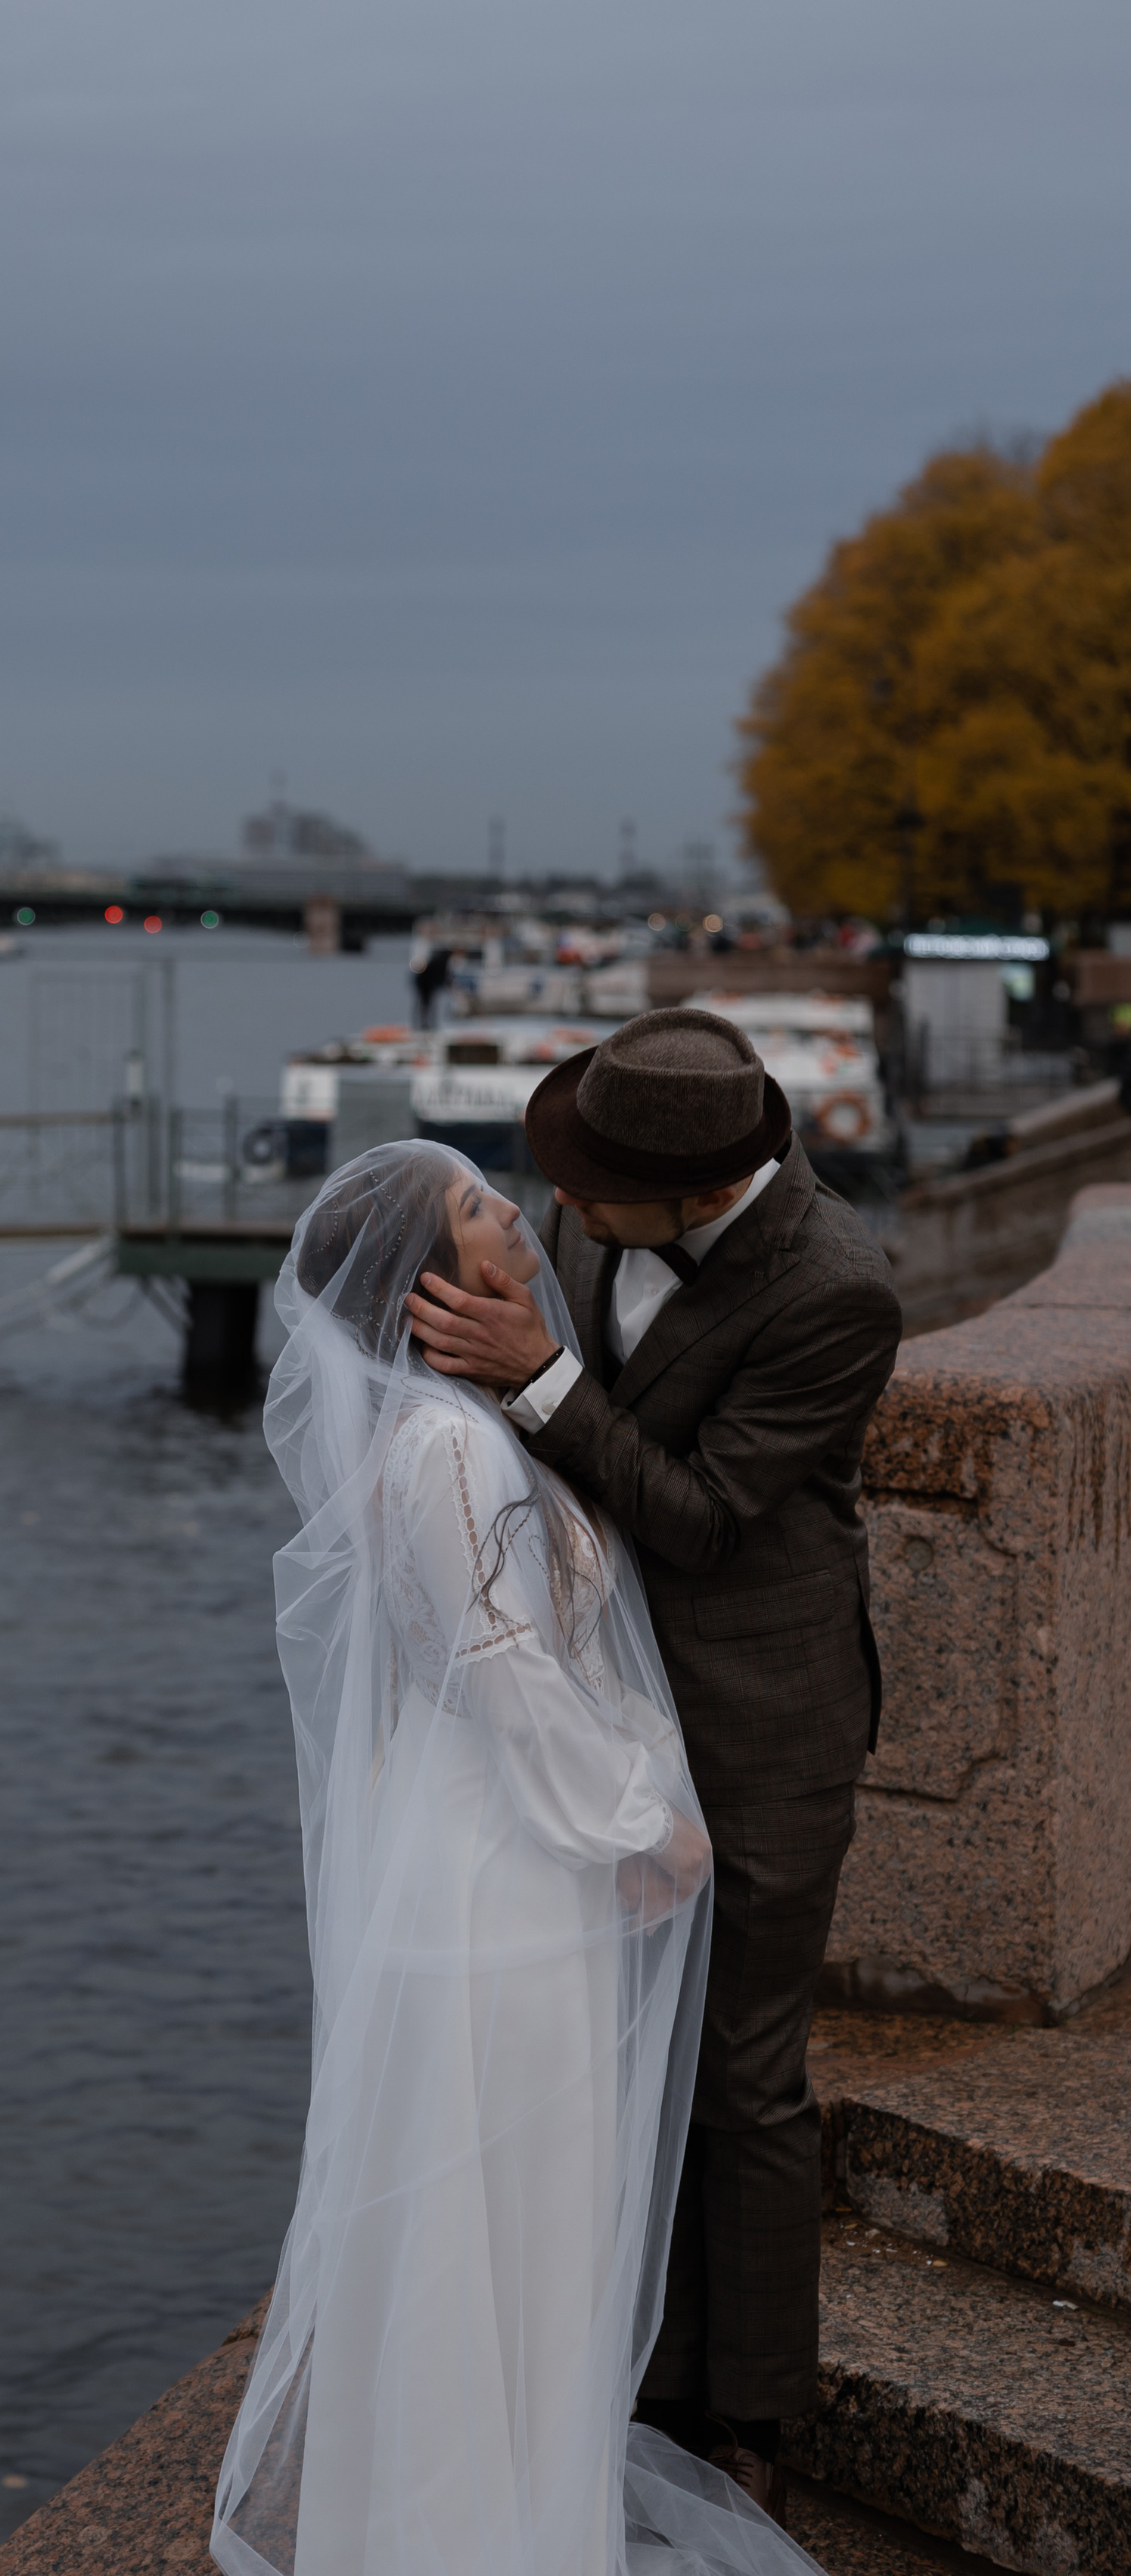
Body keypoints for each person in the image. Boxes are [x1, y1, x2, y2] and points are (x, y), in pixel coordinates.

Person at [213, 1141, 824, 2576]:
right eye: (481, 1208)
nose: (517, 1216)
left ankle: (505, 2509)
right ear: (432, 1282)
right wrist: (637, 1821)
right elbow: (504, 1669)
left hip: (499, 1849)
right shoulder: (445, 1448)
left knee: (516, 2214)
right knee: (498, 2210)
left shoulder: (476, 1420)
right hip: (497, 1875)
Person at [405, 1009, 901, 2526]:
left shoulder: (835, 1290)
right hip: (598, 1712)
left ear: (694, 1197)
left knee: (739, 2078)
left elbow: (696, 1519)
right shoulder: (613, 1206)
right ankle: (635, 2369)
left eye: (591, 1187)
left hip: (757, 1718)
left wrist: (543, 1375)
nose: (558, 1203)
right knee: (625, 2060)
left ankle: (747, 2416)